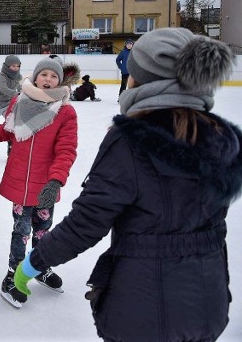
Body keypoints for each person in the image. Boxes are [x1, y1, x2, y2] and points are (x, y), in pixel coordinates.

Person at [13, 28, 241, 341]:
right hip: (208, 303)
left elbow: (87, 222)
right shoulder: (220, 136)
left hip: (144, 310)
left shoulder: (131, 140)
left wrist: (32, 263)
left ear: (142, 80)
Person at [0, 54, 80, 308]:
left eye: (53, 76)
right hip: (20, 184)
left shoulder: (65, 112)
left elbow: (66, 151)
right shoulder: (18, 102)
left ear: (59, 81)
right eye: (44, 74)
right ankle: (12, 274)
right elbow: (6, 132)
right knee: (21, 232)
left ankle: (39, 267)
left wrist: (56, 182)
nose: (48, 80)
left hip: (46, 187)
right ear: (35, 76)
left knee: (42, 231)